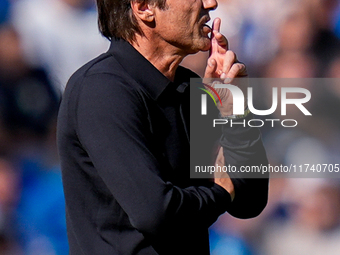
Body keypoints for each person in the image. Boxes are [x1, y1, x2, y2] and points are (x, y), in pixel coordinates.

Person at [57, 0, 269, 254]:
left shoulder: (189, 88)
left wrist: (234, 112)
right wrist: (221, 193)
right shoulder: (102, 89)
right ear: (144, 7)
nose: (211, 4)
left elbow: (249, 200)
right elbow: (156, 211)